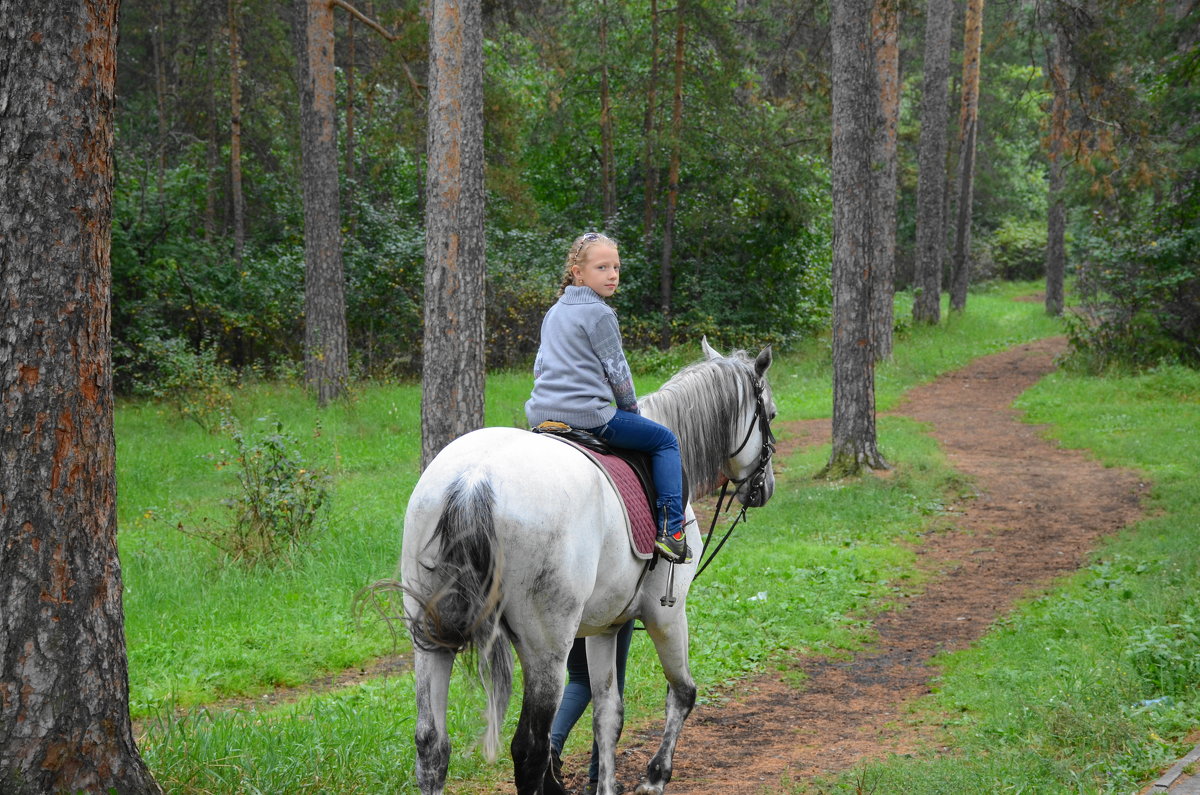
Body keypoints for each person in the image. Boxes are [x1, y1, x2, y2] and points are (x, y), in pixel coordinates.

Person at [524, 231, 689, 563]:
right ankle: (672, 530)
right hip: (589, 417)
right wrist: (632, 412)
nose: (612, 275)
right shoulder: (600, 314)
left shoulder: (555, 311)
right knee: (665, 441)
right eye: (602, 267)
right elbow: (618, 372)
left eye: (616, 267)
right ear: (578, 273)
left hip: (540, 415)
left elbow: (540, 368)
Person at [548, 620, 635, 794]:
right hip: (612, 608)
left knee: (580, 677)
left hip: (579, 609)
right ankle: (597, 779)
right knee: (611, 684)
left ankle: (551, 745)